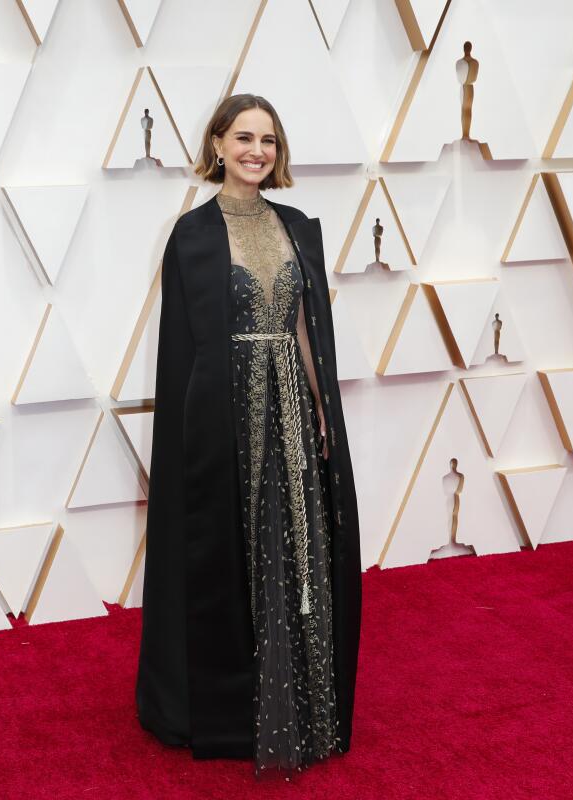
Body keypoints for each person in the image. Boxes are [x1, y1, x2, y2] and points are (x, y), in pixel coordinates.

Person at [136, 93, 362, 778]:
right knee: (235, 551)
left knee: (294, 551)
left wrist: (324, 414)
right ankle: (230, 706)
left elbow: (305, 331)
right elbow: (182, 351)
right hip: (224, 415)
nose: (256, 151)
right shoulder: (193, 235)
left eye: (267, 140)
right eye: (243, 137)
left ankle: (296, 693)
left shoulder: (297, 227)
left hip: (290, 405)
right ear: (217, 144)